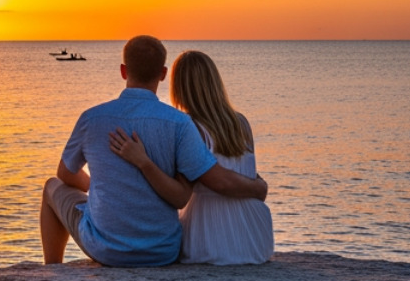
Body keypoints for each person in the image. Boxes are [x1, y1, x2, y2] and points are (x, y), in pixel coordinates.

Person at [40, 35, 269, 266]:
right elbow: (183, 196)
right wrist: (258, 186)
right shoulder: (180, 123)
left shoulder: (91, 118)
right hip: (163, 251)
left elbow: (66, 174)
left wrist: (98, 187)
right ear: (162, 73)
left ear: (123, 71)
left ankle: (52, 270)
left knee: (52, 186)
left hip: (107, 249)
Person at [109, 49, 274, 264]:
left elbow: (206, 183)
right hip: (254, 236)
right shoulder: (240, 122)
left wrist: (142, 160)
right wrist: (258, 187)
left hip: (211, 235)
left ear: (178, 87)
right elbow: (246, 171)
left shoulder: (189, 126)